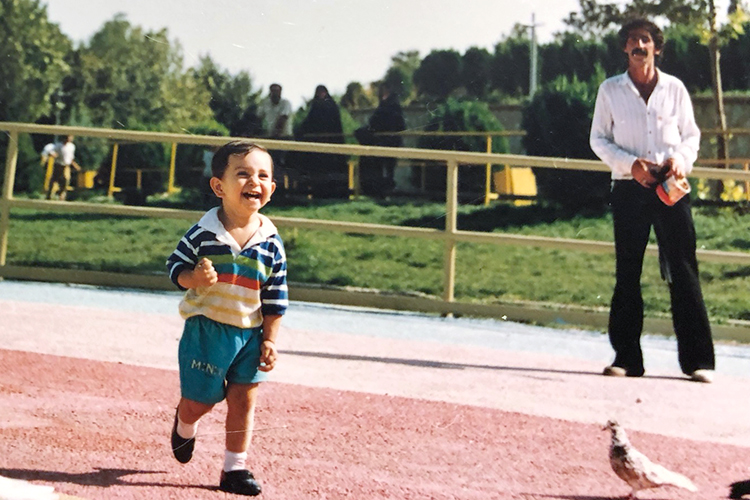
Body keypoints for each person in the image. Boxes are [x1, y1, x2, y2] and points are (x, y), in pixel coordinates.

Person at [590, 18, 715, 383]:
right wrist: (630, 164)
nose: (639, 46)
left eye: (645, 40)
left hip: (671, 187)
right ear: (624, 49)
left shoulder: (674, 89)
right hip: (630, 188)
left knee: (683, 269)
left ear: (657, 48)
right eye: (632, 41)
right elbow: (598, 139)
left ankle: (698, 362)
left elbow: (691, 136)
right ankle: (626, 358)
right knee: (627, 271)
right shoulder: (610, 90)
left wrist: (680, 160)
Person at [166, 140, 288, 495]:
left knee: (244, 397)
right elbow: (175, 266)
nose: (255, 181)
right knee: (201, 401)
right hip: (207, 329)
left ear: (272, 189)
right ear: (219, 186)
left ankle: (235, 468)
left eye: (263, 175)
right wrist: (193, 278)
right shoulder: (202, 233)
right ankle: (185, 422)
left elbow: (276, 297)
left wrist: (269, 339)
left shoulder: (271, 242)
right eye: (244, 174)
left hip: (249, 333)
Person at [296, 85, 349, 197]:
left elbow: (336, 125)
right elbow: (309, 123)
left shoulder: (332, 106)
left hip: (331, 144)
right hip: (317, 147)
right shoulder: (315, 106)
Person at [354, 82, 406, 195]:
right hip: (381, 141)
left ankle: (388, 190)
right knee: (382, 168)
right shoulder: (382, 104)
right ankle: (382, 190)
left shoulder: (393, 105)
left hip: (390, 141)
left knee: (389, 169)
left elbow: (397, 123)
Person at [45, 135, 81, 200]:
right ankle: (49, 195)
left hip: (66, 166)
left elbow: (71, 158)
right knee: (54, 180)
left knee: (66, 180)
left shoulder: (72, 146)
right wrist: (53, 155)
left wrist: (75, 165)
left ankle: (62, 195)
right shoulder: (58, 145)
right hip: (58, 165)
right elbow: (51, 152)